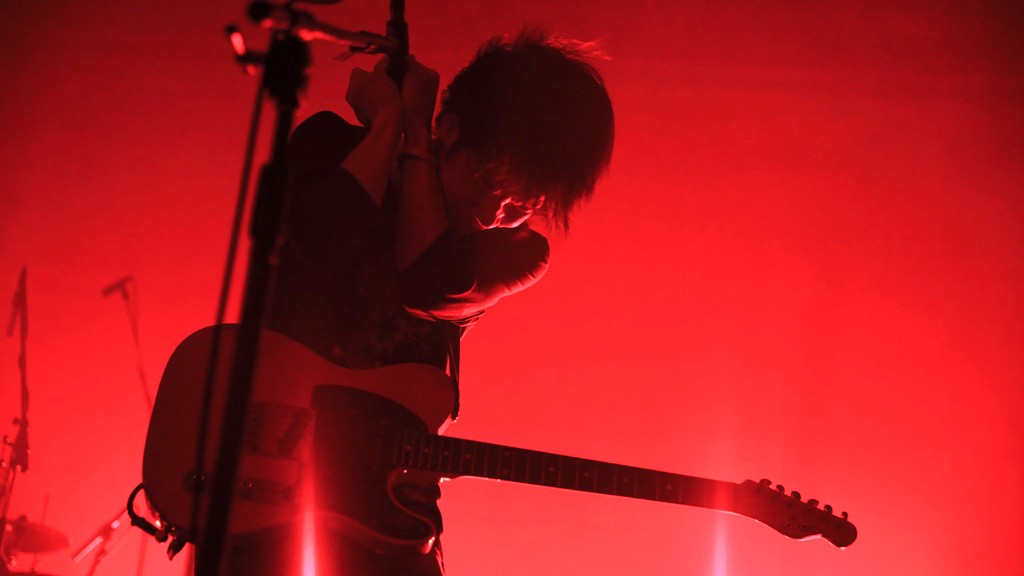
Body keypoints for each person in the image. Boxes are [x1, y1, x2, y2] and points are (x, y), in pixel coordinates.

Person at [223, 28, 614, 575]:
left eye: (521, 203)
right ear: (448, 128)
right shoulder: (331, 144)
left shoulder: (519, 252)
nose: (494, 213)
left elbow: (427, 284)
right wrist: (389, 126)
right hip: (264, 489)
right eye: (488, 180)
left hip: (389, 523)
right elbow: (320, 238)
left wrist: (411, 131)